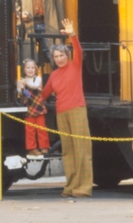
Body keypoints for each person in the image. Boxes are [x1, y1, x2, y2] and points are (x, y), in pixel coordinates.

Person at [39, 18, 93, 198]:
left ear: (67, 56)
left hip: (77, 110)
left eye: (62, 55)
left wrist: (72, 34)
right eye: (56, 56)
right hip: (61, 113)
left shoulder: (75, 66)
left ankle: (83, 188)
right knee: (68, 151)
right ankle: (70, 186)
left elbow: (79, 50)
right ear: (53, 59)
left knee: (82, 148)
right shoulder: (53, 75)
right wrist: (25, 91)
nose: (59, 59)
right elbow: (43, 95)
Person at [16, 59, 50, 156]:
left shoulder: (38, 79)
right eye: (28, 68)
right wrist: (21, 88)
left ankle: (44, 147)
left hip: (38, 106)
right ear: (24, 70)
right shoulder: (21, 80)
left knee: (41, 128)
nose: (30, 70)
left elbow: (34, 86)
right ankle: (32, 149)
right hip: (29, 106)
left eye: (32, 68)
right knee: (29, 129)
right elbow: (19, 92)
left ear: (35, 69)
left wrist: (26, 83)